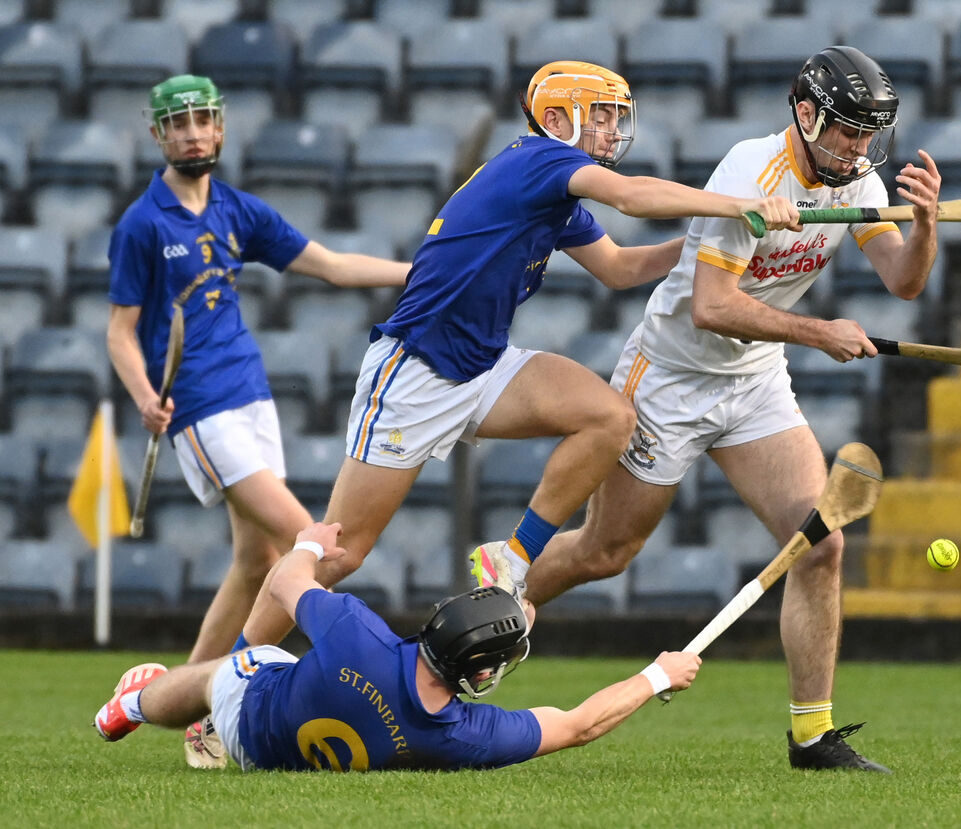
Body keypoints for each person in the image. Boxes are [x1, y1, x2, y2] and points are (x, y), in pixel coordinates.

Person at [234, 60, 800, 648]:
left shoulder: (552, 192)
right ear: (555, 120)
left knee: (608, 417)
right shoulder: (541, 160)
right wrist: (735, 204)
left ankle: (514, 555)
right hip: (416, 373)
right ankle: (225, 683)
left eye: (615, 117)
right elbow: (632, 199)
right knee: (338, 552)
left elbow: (618, 268)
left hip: (483, 366)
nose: (612, 129)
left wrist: (706, 245)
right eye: (599, 116)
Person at [519, 46, 944, 773]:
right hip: (670, 380)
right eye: (846, 129)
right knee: (605, 552)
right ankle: (489, 599)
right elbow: (711, 307)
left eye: (870, 133)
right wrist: (821, 333)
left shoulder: (859, 181)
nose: (859, 147)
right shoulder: (751, 174)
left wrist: (928, 227)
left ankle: (812, 735)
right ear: (806, 115)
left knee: (820, 539)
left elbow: (903, 281)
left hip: (753, 382)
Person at [107, 74, 411, 767]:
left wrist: (419, 271)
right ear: (158, 136)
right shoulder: (142, 224)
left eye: (203, 120)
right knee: (315, 545)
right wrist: (142, 395)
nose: (192, 133)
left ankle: (184, 702)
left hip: (252, 396)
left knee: (257, 562)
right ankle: (224, 702)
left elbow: (330, 266)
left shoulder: (237, 209)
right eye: (177, 124)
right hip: (201, 408)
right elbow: (121, 332)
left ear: (220, 128)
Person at [94, 522, 702, 772]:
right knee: (239, 673)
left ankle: (133, 707)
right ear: (481, 673)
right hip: (279, 763)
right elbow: (578, 726)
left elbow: (281, 583)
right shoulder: (460, 735)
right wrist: (657, 675)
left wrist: (307, 542)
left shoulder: (357, 631)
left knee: (223, 672)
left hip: (254, 724)